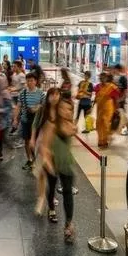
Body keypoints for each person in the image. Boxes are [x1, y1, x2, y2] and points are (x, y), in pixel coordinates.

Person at [40, 99, 78, 244]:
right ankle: (51, 208)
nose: (66, 111)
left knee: (68, 192)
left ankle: (68, 224)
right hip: (52, 164)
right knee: (51, 189)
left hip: (66, 163)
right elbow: (44, 147)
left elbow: (72, 135)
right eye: (63, 108)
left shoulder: (71, 124)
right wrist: (48, 164)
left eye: (69, 109)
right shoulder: (51, 124)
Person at [31, 88, 61, 215]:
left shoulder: (61, 111)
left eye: (56, 94)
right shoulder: (43, 110)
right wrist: (32, 139)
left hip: (55, 146)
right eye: (51, 95)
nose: (54, 97)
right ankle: (41, 198)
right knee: (43, 173)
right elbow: (35, 124)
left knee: (52, 174)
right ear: (48, 97)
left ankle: (49, 197)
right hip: (42, 145)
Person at [17, 73, 45, 171]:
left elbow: (44, 106)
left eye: (32, 80)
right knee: (27, 141)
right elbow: (18, 106)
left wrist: (37, 107)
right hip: (25, 120)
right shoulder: (22, 93)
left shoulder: (41, 93)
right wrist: (15, 119)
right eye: (28, 80)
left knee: (37, 141)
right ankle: (30, 159)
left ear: (35, 81)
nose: (29, 83)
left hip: (37, 122)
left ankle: (37, 159)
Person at [94, 73, 118, 149]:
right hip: (99, 110)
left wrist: (116, 108)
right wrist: (92, 105)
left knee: (105, 124)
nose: (101, 80)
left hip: (108, 109)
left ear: (106, 78)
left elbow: (116, 98)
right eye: (100, 78)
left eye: (103, 78)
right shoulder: (98, 87)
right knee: (98, 125)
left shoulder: (111, 87)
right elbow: (96, 96)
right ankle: (100, 141)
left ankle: (105, 141)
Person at [113, 64, 128, 135]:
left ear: (117, 69)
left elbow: (125, 90)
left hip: (121, 100)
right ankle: (117, 128)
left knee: (123, 115)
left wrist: (121, 99)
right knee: (118, 114)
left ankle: (127, 128)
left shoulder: (123, 78)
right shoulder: (113, 77)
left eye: (115, 69)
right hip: (115, 99)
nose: (113, 70)